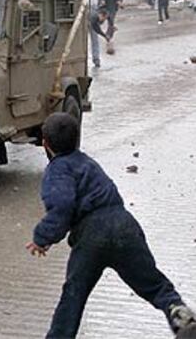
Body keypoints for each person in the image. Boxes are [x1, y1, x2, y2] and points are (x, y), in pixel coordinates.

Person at [26, 113, 195, 339]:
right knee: (154, 284)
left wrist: (42, 237)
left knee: (73, 297)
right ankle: (178, 313)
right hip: (124, 224)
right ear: (77, 140)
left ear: (45, 144)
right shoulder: (88, 162)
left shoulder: (57, 170)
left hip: (91, 237)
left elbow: (62, 206)